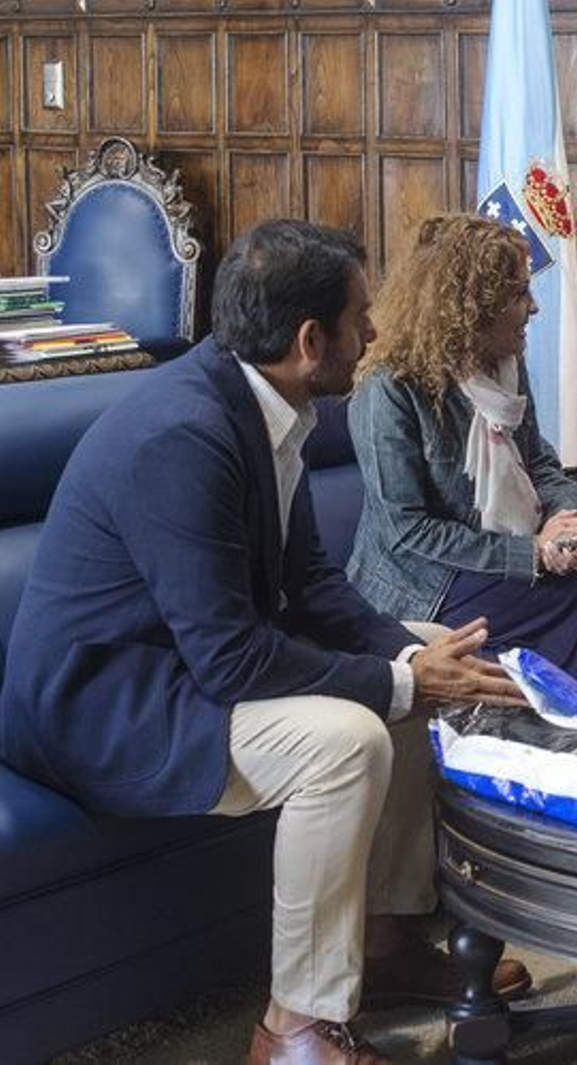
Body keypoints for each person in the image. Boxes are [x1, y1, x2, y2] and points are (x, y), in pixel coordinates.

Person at [0, 219, 535, 1065]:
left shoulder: (269, 403)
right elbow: (233, 660)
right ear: (308, 339)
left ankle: (383, 946)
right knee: (349, 740)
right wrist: (400, 684)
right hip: (105, 711)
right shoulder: (186, 437)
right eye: (362, 317)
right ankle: (295, 1026)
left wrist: (410, 655)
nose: (375, 333)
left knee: (425, 649)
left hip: (181, 672)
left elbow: (312, 584)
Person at [346, 213, 577, 693]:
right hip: (428, 584)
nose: (534, 308)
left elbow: (538, 461)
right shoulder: (390, 388)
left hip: (502, 559)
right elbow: (407, 530)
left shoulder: (504, 363)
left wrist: (569, 525)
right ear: (470, 306)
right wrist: (532, 552)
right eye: (518, 294)